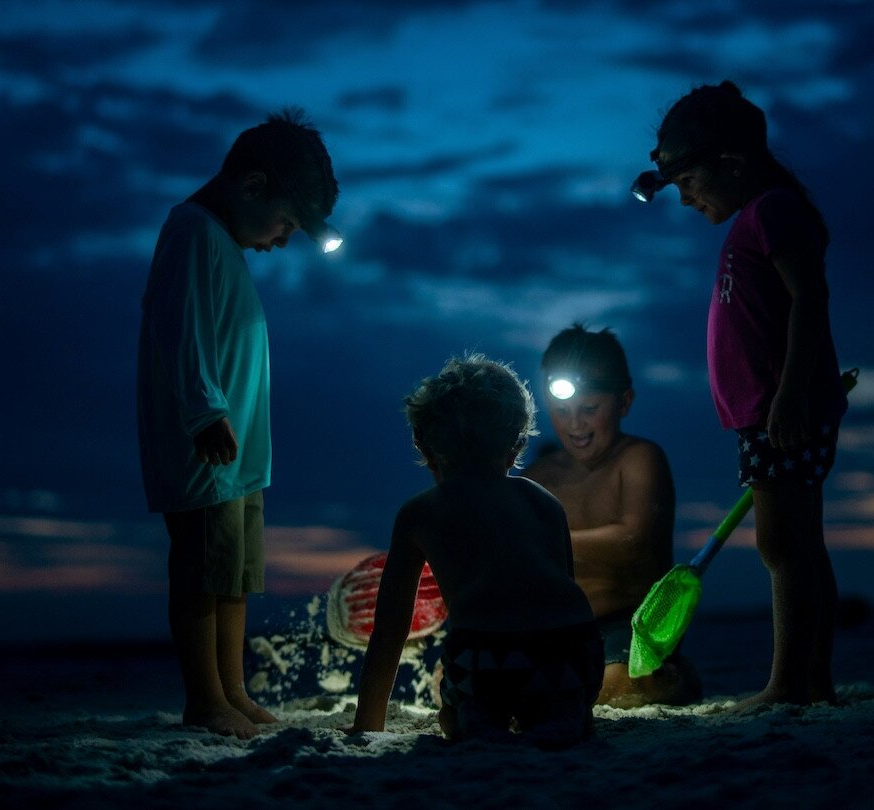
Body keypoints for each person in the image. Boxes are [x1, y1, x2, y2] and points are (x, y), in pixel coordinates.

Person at [631, 81, 848, 707]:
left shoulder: (773, 209)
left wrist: (787, 395)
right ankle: (814, 682)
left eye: (689, 183)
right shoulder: (755, 219)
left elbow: (811, 299)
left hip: (785, 414)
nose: (685, 199)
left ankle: (788, 687)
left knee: (784, 545)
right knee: (798, 543)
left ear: (730, 164)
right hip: (769, 415)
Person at [137, 108, 340, 738]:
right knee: (202, 570)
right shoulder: (193, 231)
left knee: (234, 573)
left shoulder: (223, 242)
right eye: (285, 223)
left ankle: (232, 688)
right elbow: (182, 330)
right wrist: (204, 412)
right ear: (252, 185)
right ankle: (205, 698)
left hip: (241, 454)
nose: (283, 240)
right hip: (207, 447)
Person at [350, 354, 603, 748]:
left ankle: (479, 719)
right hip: (573, 653)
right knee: (552, 693)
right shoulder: (543, 502)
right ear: (517, 446)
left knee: (453, 713)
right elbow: (564, 591)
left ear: (423, 443)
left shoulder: (420, 512)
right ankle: (564, 712)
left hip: (489, 659)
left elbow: (390, 628)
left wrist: (367, 724)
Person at [522, 324, 701, 707]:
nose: (576, 424)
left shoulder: (638, 459)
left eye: (589, 409)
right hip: (556, 627)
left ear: (624, 402)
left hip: (629, 623)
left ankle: (673, 676)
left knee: (617, 688)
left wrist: (537, 544)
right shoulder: (537, 477)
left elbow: (632, 540)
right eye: (562, 411)